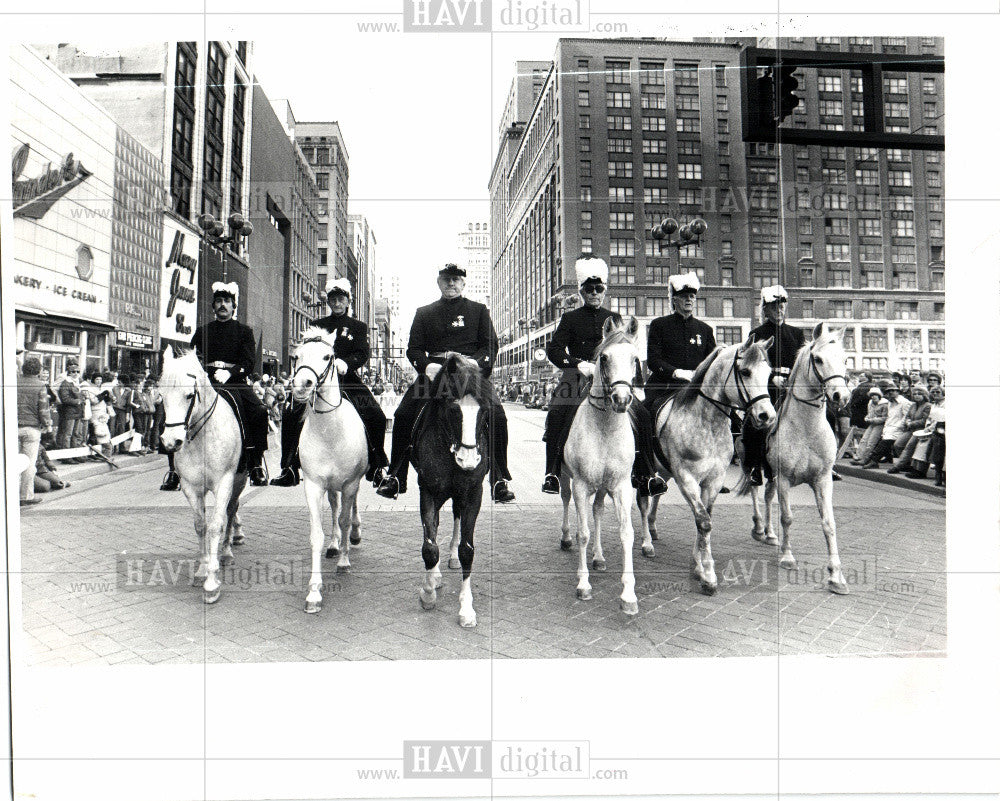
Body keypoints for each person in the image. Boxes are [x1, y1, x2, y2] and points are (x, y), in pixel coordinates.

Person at [376, 263, 514, 502]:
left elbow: (490, 345)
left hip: (470, 374)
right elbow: (414, 349)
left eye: (456, 279)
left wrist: (476, 364)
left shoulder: (479, 310)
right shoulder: (424, 312)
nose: (451, 283)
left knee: (498, 416)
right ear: (439, 283)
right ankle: (396, 474)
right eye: (446, 279)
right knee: (403, 413)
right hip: (435, 373)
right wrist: (427, 366)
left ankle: (500, 478)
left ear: (463, 283)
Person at [540, 256, 667, 497]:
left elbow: (629, 353)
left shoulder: (614, 319)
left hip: (613, 377)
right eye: (589, 289)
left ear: (604, 291)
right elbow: (554, 350)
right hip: (577, 378)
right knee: (557, 412)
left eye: (599, 289)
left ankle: (647, 473)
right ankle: (553, 473)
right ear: (582, 292)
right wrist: (578, 365)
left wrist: (636, 384)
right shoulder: (570, 319)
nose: (595, 293)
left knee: (642, 414)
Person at [270, 277, 389, 487]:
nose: (336, 303)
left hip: (347, 379)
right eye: (333, 300)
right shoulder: (318, 325)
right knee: (290, 413)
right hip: (319, 381)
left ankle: (377, 465)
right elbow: (306, 352)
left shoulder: (358, 327)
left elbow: (363, 353)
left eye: (340, 299)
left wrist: (347, 363)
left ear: (348, 301)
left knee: (376, 415)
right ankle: (289, 467)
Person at [165, 281, 270, 487]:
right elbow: (193, 359)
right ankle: (173, 470)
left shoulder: (244, 331)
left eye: (227, 302)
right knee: (174, 409)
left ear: (233, 306)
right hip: (207, 381)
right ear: (213, 306)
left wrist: (231, 372)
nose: (223, 305)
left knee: (258, 411)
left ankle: (256, 462)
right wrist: (205, 373)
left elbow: (248, 362)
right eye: (219, 301)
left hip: (235, 383)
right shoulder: (203, 331)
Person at [740, 285, 804, 486]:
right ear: (765, 310)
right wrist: (771, 380)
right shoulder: (757, 333)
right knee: (754, 426)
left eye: (782, 306)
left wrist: (792, 381)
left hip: (792, 387)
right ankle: (754, 468)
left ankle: (826, 465)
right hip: (766, 387)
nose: (779, 311)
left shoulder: (796, 333)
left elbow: (800, 363)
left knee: (824, 416)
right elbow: (751, 366)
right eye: (774, 307)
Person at [17, 356, 53, 506]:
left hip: (13, 427)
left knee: (12, 462)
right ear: (38, 371)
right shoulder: (40, 385)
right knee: (28, 464)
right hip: (31, 428)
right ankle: (25, 496)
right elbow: (43, 409)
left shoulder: (15, 382)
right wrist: (47, 426)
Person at [860, 380, 912, 469]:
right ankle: (883, 459)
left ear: (897, 392)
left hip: (898, 428)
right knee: (883, 441)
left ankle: (873, 460)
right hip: (890, 427)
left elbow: (906, 416)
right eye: (888, 391)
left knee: (885, 442)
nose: (890, 393)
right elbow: (889, 416)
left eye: (893, 391)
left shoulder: (904, 402)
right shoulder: (890, 403)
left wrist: (900, 426)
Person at [887, 384, 931, 474]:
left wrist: (912, 423)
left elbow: (924, 420)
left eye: (919, 394)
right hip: (910, 429)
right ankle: (907, 464)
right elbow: (908, 416)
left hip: (920, 431)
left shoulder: (927, 406)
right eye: (915, 394)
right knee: (898, 444)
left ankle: (897, 466)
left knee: (909, 447)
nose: (916, 396)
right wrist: (907, 421)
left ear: (924, 395)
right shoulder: (913, 405)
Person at [905, 384, 945, 481]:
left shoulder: (945, 404)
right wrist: (927, 426)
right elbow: (930, 418)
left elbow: (942, 419)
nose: (935, 394)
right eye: (933, 392)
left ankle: (921, 470)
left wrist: (931, 427)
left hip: (941, 430)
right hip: (931, 429)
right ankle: (916, 468)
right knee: (921, 445)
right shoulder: (934, 404)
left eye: (938, 392)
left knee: (925, 446)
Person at [56, 360, 87, 462]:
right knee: (68, 434)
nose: (76, 374)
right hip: (69, 412)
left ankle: (75, 454)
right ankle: (66, 456)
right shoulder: (66, 383)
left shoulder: (78, 383)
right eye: (73, 372)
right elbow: (64, 398)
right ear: (69, 373)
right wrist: (77, 401)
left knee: (76, 434)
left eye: (77, 372)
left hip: (78, 411)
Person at [852, 383, 888, 465]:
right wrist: (867, 418)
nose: (873, 397)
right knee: (864, 439)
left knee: (871, 442)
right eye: (872, 395)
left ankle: (866, 458)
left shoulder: (884, 404)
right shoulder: (870, 403)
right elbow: (870, 413)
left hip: (879, 425)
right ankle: (859, 456)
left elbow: (885, 418)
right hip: (872, 423)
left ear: (879, 395)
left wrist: (873, 420)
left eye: (875, 395)